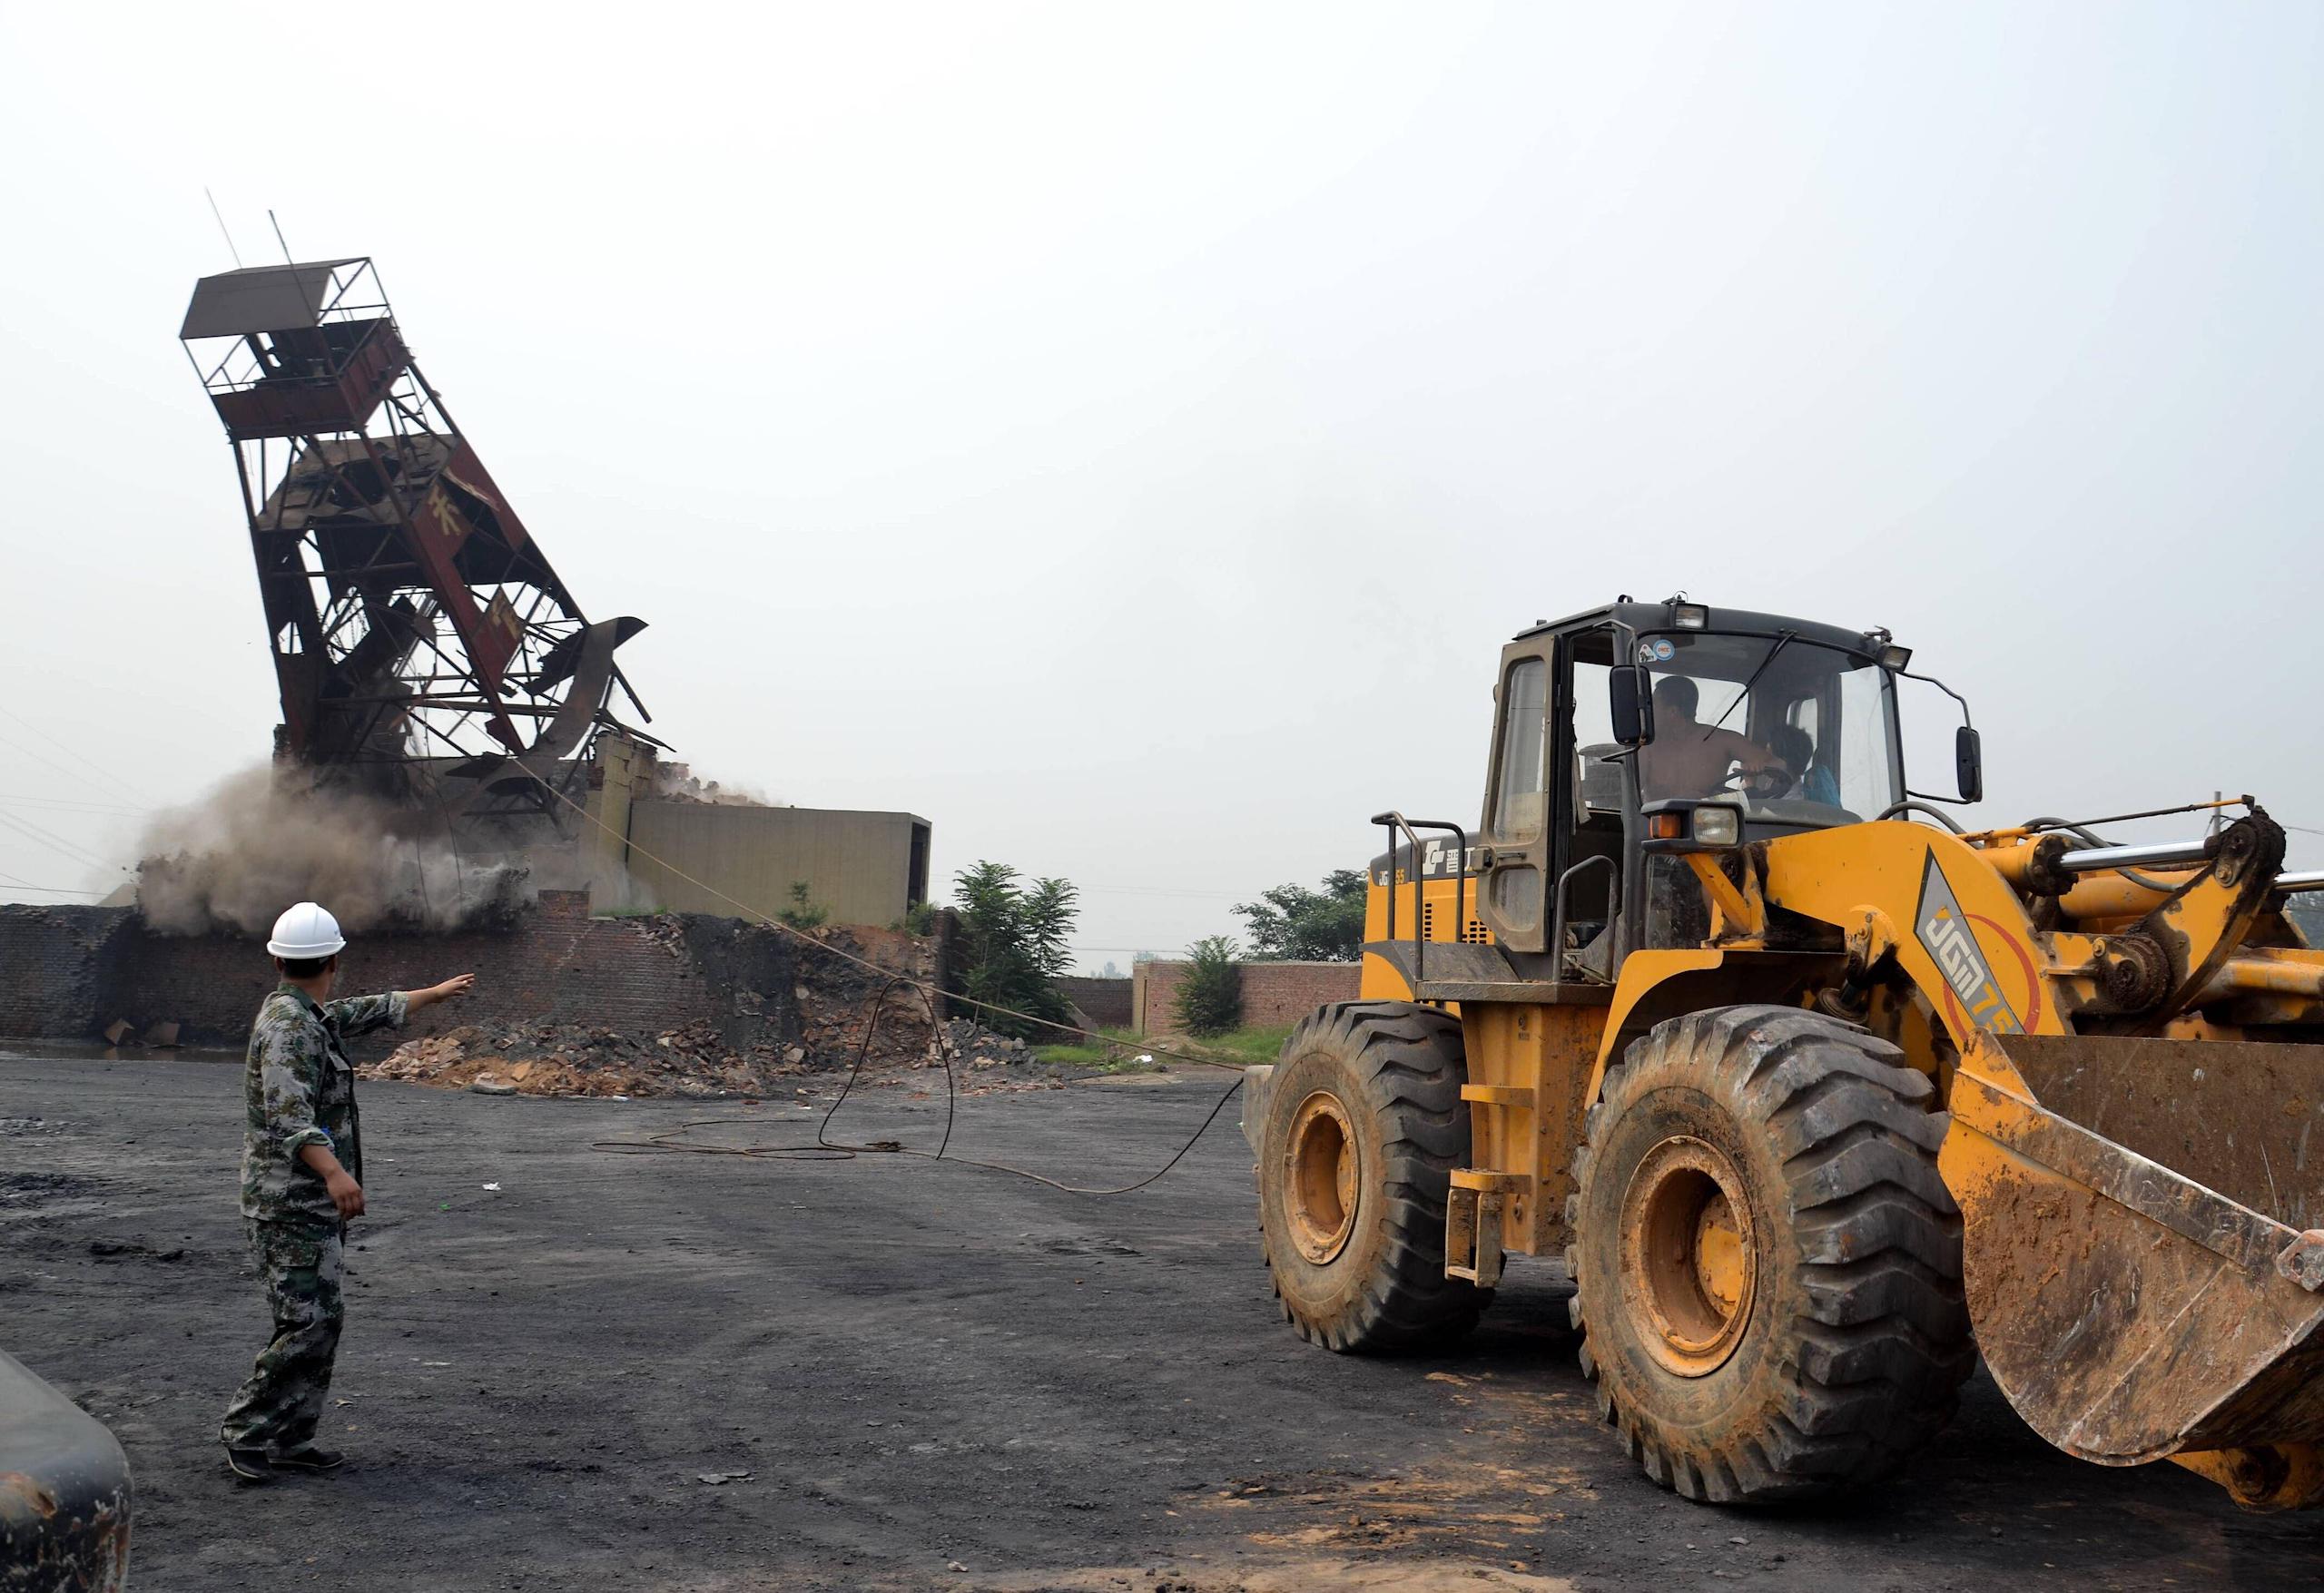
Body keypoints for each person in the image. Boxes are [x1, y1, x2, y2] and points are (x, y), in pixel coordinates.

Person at [220, 900, 474, 1484]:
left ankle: (291, 1437)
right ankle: (247, 1430)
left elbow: (359, 1012)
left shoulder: (307, 1016)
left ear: (278, 960)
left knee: (323, 1319)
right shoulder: (288, 1030)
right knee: (305, 1323)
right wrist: (335, 1173)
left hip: (306, 1204)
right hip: (288, 1202)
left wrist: (430, 995)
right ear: (333, 958)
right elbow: (289, 1119)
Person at [1637, 676, 1783, 800]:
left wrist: (1758, 767)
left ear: (1673, 712)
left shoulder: (1722, 740)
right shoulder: (1646, 746)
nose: (1647, 712)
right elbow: (1631, 791)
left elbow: (1779, 765)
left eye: (1654, 705)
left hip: (1710, 830)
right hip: (1654, 830)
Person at [1768, 723, 1843, 805]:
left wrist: (1751, 785)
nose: (1764, 759)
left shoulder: (1795, 802)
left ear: (1784, 761)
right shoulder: (1773, 784)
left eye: (1769, 755)